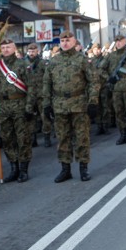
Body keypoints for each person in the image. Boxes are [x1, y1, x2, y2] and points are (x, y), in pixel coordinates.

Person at [42, 30, 100, 182]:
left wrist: (93, 102)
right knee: (63, 138)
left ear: (74, 42)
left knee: (82, 137)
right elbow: (46, 83)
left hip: (79, 103)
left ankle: (83, 168)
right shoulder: (54, 61)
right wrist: (46, 104)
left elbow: (93, 82)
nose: (65, 43)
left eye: (68, 40)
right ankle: (65, 169)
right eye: (62, 41)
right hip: (59, 105)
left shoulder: (82, 60)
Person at [0, 38, 34, 182]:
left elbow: (32, 87)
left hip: (19, 104)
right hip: (3, 107)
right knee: (7, 138)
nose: (6, 49)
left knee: (22, 139)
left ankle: (24, 170)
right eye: (3, 47)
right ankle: (14, 168)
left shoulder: (23, 64)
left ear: (14, 48)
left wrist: (29, 107)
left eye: (8, 47)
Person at [98, 34, 126, 145]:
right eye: (116, 41)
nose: (118, 43)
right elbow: (100, 69)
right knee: (119, 113)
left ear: (124, 41)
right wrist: (109, 79)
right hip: (116, 89)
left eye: (120, 41)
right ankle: (123, 135)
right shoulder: (110, 56)